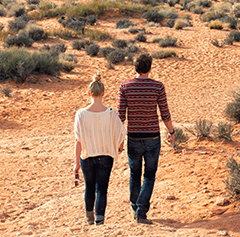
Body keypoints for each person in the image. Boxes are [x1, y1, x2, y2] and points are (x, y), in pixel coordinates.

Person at [118, 53, 175, 224]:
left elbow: (120, 117)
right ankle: (141, 211)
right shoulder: (158, 87)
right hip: (152, 137)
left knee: (135, 174)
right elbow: (165, 113)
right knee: (149, 175)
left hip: (133, 137)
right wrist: (171, 132)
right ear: (150, 68)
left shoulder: (125, 87)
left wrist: (119, 140)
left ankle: (136, 207)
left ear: (135, 67)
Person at [73, 74, 125, 225]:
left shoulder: (81, 114)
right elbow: (121, 131)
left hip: (87, 156)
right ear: (103, 93)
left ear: (89, 93)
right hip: (106, 156)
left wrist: (76, 163)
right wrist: (119, 146)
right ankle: (99, 219)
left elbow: (78, 140)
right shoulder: (110, 113)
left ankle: (89, 217)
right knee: (102, 189)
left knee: (89, 187)